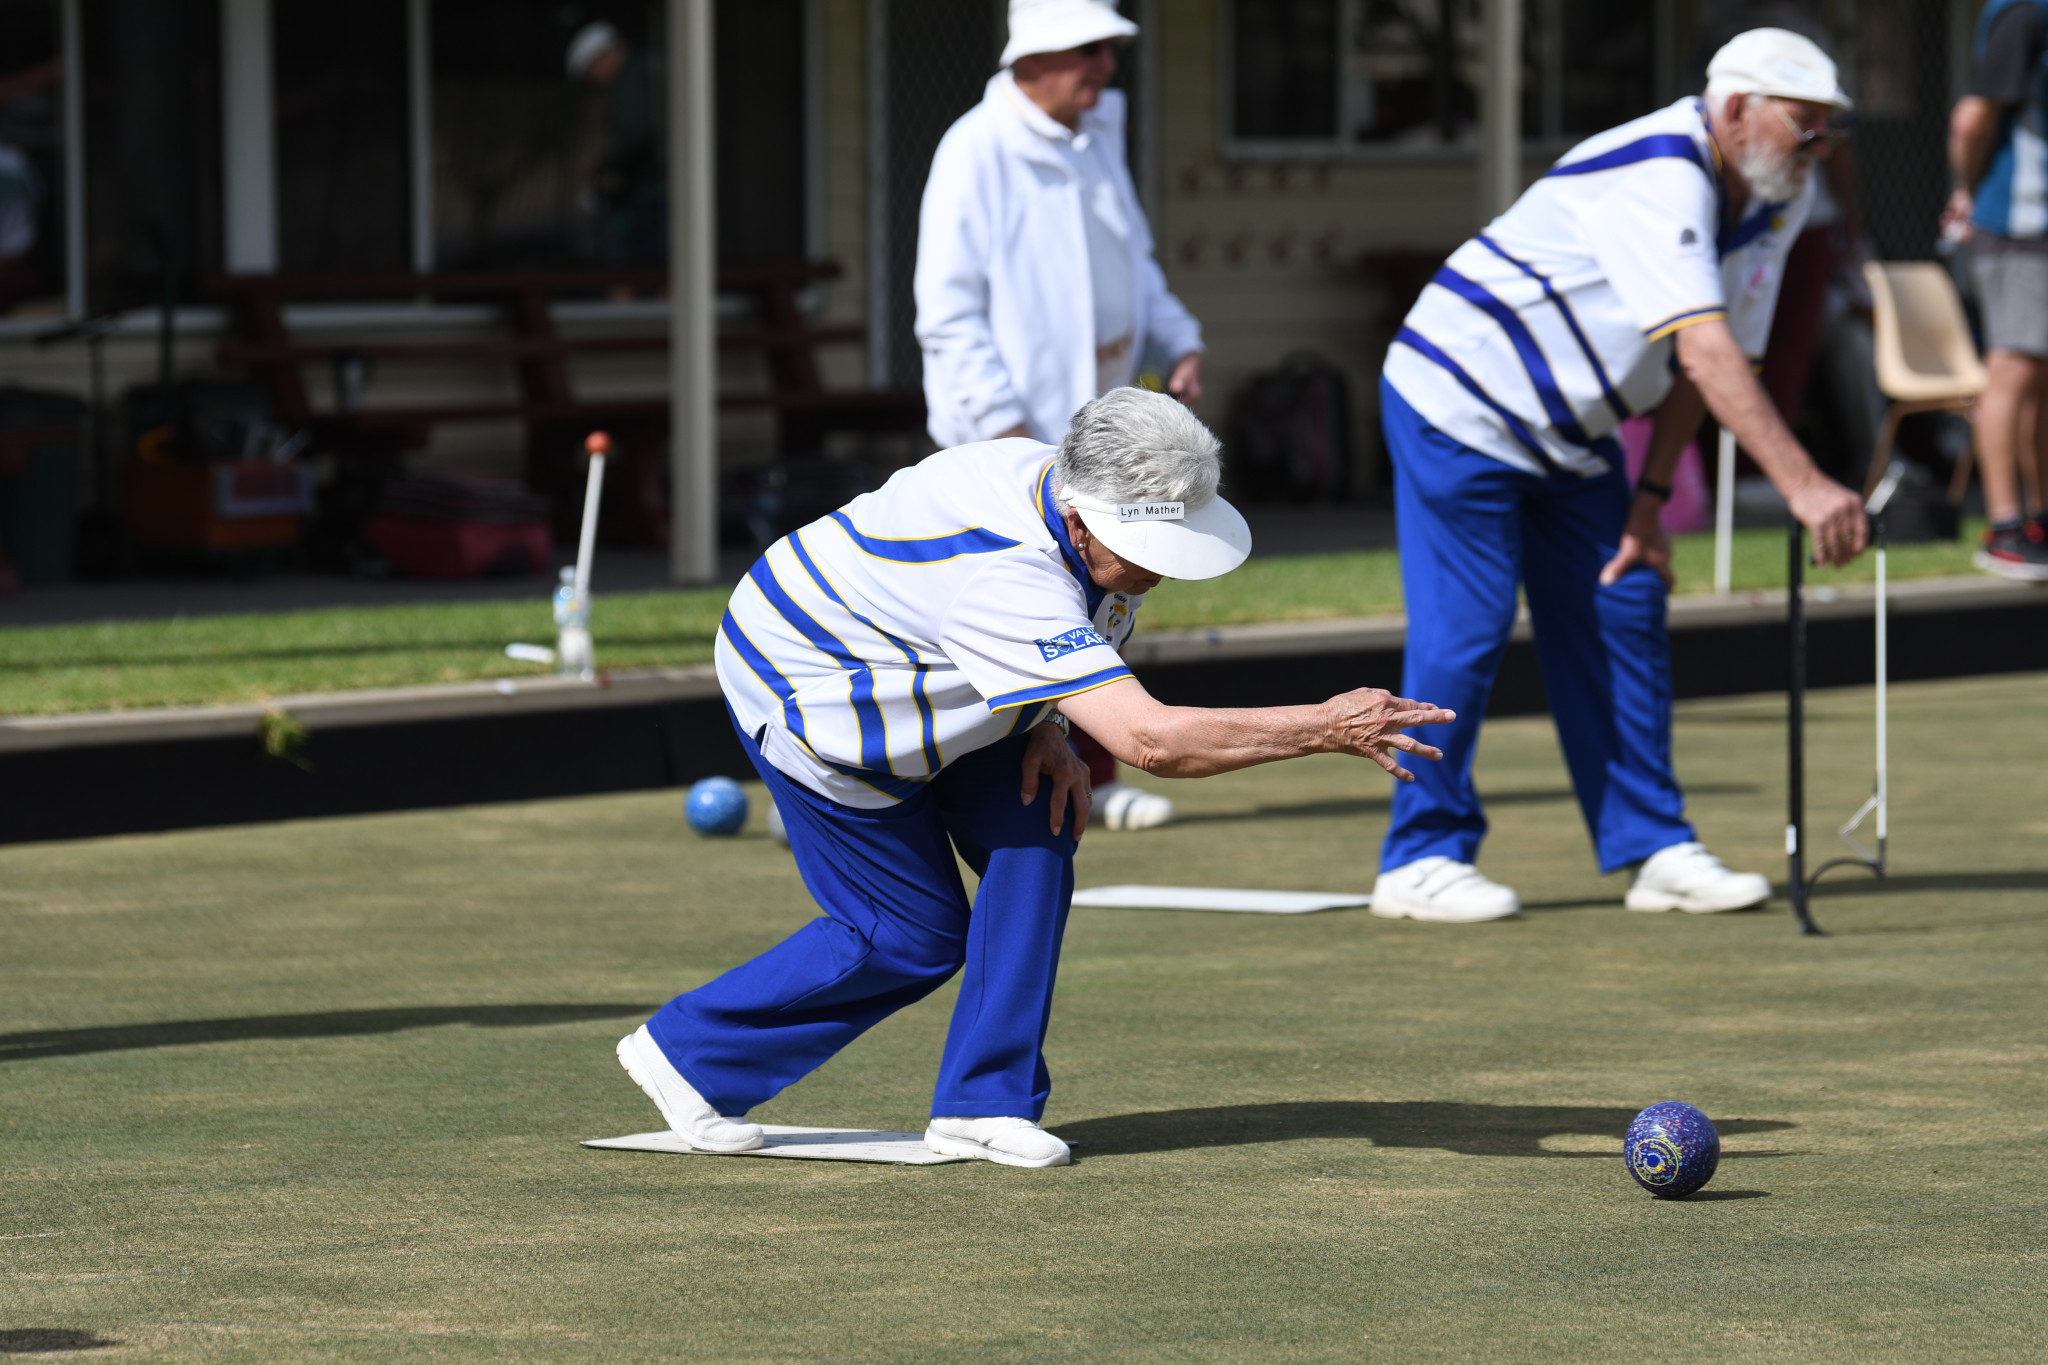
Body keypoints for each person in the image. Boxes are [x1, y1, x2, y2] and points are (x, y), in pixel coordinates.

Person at [615, 389, 1454, 1167]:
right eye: (1146, 548)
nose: (1161, 570)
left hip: (931, 657)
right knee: (907, 935)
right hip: (817, 684)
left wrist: (1049, 718)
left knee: (1037, 819)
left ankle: (985, 1102)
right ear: (1081, 523)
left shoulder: (1066, 490)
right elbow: (1152, 742)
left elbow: (1076, 647)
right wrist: (1324, 724)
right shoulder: (1011, 578)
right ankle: (688, 1052)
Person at [1371, 28, 1868, 924]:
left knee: (1624, 597)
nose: (1818, 145)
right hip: (1457, 397)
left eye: (1828, 130)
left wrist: (1649, 501)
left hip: (1573, 430)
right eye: (1805, 124)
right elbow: (1705, 346)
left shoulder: (1777, 189)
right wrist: (1802, 483)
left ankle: (1652, 843)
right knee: (1469, 626)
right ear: (1737, 108)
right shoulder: (1659, 169)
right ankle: (1420, 855)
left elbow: (1716, 367)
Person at [915, 0, 1203, 831]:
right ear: (1032, 59)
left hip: (1094, 434)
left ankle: (1089, 765)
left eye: (1109, 49)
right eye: (1087, 50)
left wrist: (1180, 337)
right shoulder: (973, 150)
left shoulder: (1096, 133)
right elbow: (948, 313)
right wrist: (1004, 431)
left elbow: (1136, 259)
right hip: (1006, 443)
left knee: (1105, 594)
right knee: (1011, 609)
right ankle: (898, 775)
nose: (1105, 67)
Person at [1944, 0, 2048, 581]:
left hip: (2034, 228)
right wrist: (1968, 190)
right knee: (2011, 368)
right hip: (2018, 225)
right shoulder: (2025, 14)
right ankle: (2003, 527)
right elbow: (1970, 121)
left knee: (2040, 376)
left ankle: (2039, 519)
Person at [566, 22, 665, 268]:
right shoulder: (652, 70)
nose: (595, 83)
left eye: (591, 72)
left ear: (603, 58)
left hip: (654, 190)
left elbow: (637, 134)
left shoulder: (630, 79)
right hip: (669, 187)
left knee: (625, 266)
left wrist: (602, 163)